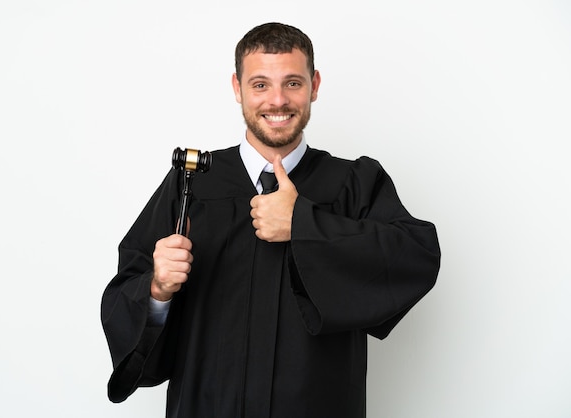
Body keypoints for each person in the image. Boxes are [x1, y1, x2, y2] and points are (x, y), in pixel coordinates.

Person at [101, 22, 441, 418]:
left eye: (293, 83)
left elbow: (416, 257)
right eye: (260, 84)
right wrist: (157, 289)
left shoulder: (353, 183)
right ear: (237, 87)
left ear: (314, 85)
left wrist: (304, 224)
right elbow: (125, 291)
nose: (277, 100)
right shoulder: (192, 185)